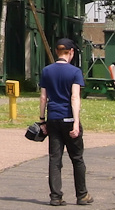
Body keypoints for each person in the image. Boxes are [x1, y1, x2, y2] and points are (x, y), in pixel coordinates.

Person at [39, 38, 93, 206]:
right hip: (69, 118)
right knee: (77, 158)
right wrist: (76, 123)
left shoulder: (47, 71)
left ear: (57, 52)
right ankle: (82, 195)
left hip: (53, 118)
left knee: (55, 158)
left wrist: (42, 120)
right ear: (71, 52)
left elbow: (43, 97)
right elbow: (75, 97)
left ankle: (55, 196)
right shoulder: (75, 72)